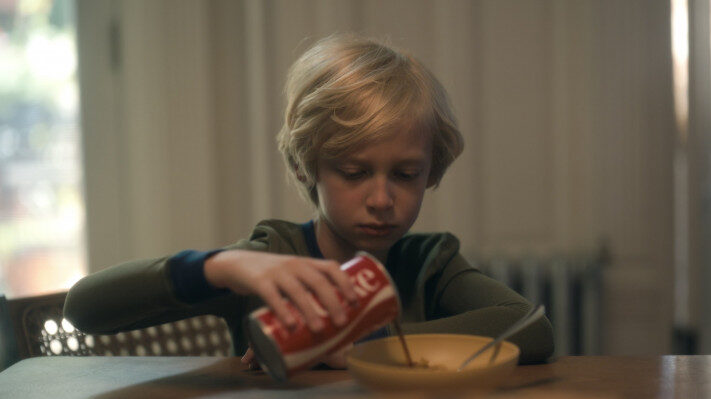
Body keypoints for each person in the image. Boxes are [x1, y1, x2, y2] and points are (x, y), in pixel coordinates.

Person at [64, 33, 554, 367]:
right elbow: (84, 308)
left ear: (431, 170)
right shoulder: (274, 260)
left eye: (406, 174)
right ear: (305, 167)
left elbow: (531, 325)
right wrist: (220, 266)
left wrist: (365, 347)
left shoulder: (428, 263)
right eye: (354, 173)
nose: (382, 199)